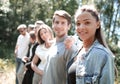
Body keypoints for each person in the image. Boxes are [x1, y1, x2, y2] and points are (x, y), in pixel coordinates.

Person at [67, 5, 115, 84]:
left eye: (87, 23)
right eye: (78, 23)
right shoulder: (77, 51)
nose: (81, 27)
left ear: (97, 24)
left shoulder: (103, 55)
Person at [42, 10, 79, 84]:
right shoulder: (53, 44)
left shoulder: (70, 47)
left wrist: (74, 38)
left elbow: (72, 78)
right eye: (57, 22)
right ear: (52, 24)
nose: (59, 26)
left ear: (69, 26)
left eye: (63, 23)